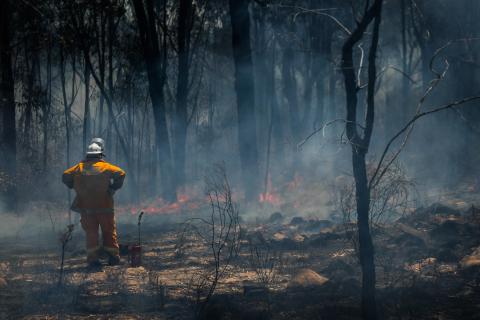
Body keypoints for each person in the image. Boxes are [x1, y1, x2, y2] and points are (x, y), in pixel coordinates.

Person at [62, 138, 126, 267]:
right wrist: (113, 188)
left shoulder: (79, 167)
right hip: (105, 208)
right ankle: (113, 258)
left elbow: (65, 175)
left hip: (87, 209)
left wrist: (73, 186)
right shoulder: (106, 167)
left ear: (87, 155)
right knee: (109, 232)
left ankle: (93, 260)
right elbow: (121, 173)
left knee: (91, 234)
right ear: (101, 154)